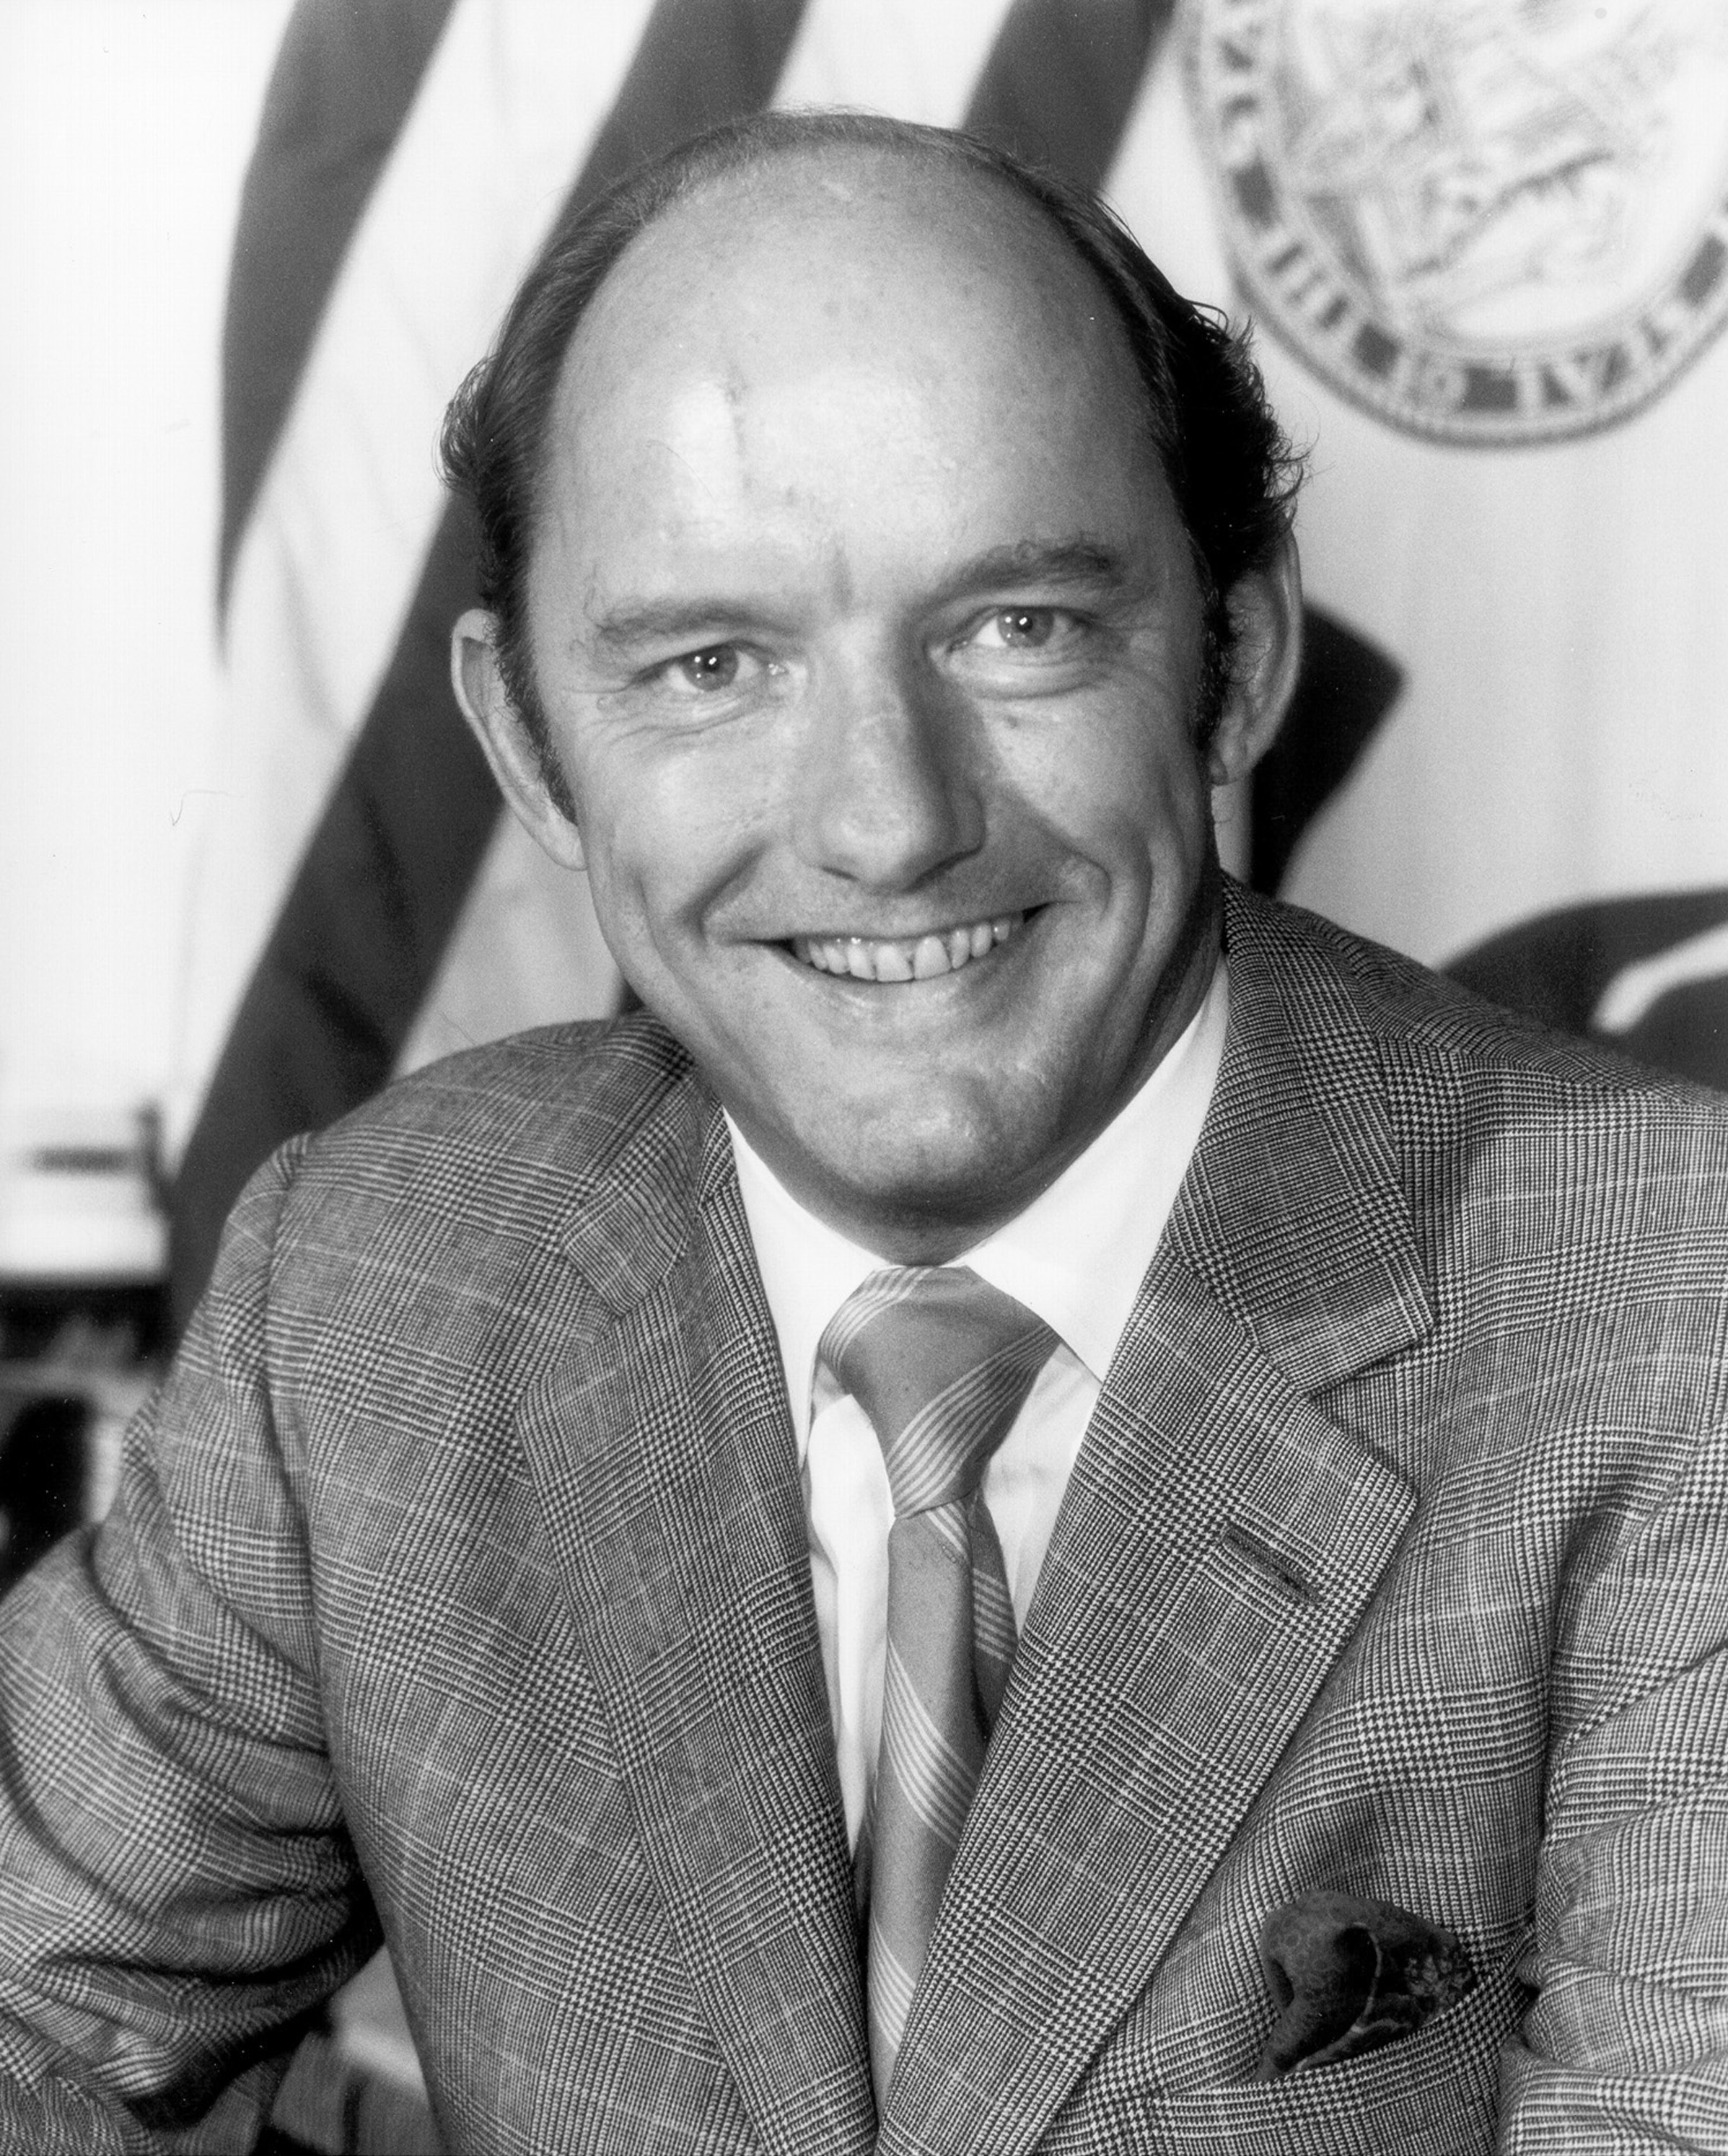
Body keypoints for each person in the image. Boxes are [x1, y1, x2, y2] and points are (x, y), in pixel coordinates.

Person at [1, 110, 1725, 2156]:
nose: (888, 820)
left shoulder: (1664, 1298)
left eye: (1018, 627)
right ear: (530, 746)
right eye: (711, 664)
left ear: (1239, 660)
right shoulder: (385, 1281)